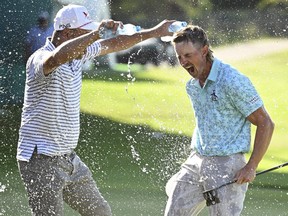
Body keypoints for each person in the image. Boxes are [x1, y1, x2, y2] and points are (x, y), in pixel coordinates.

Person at [16, 4, 175, 216]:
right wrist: (95, 33)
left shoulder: (79, 54)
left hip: (69, 160)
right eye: (86, 33)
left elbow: (114, 43)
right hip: (40, 160)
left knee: (101, 212)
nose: (92, 39)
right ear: (68, 33)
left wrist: (155, 32)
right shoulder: (39, 59)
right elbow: (57, 58)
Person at [164, 25, 274, 216]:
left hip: (227, 164)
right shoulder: (192, 85)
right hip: (196, 160)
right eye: (179, 56)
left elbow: (265, 123)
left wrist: (251, 166)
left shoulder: (232, 80)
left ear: (204, 50)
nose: (182, 62)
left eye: (188, 55)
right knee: (174, 211)